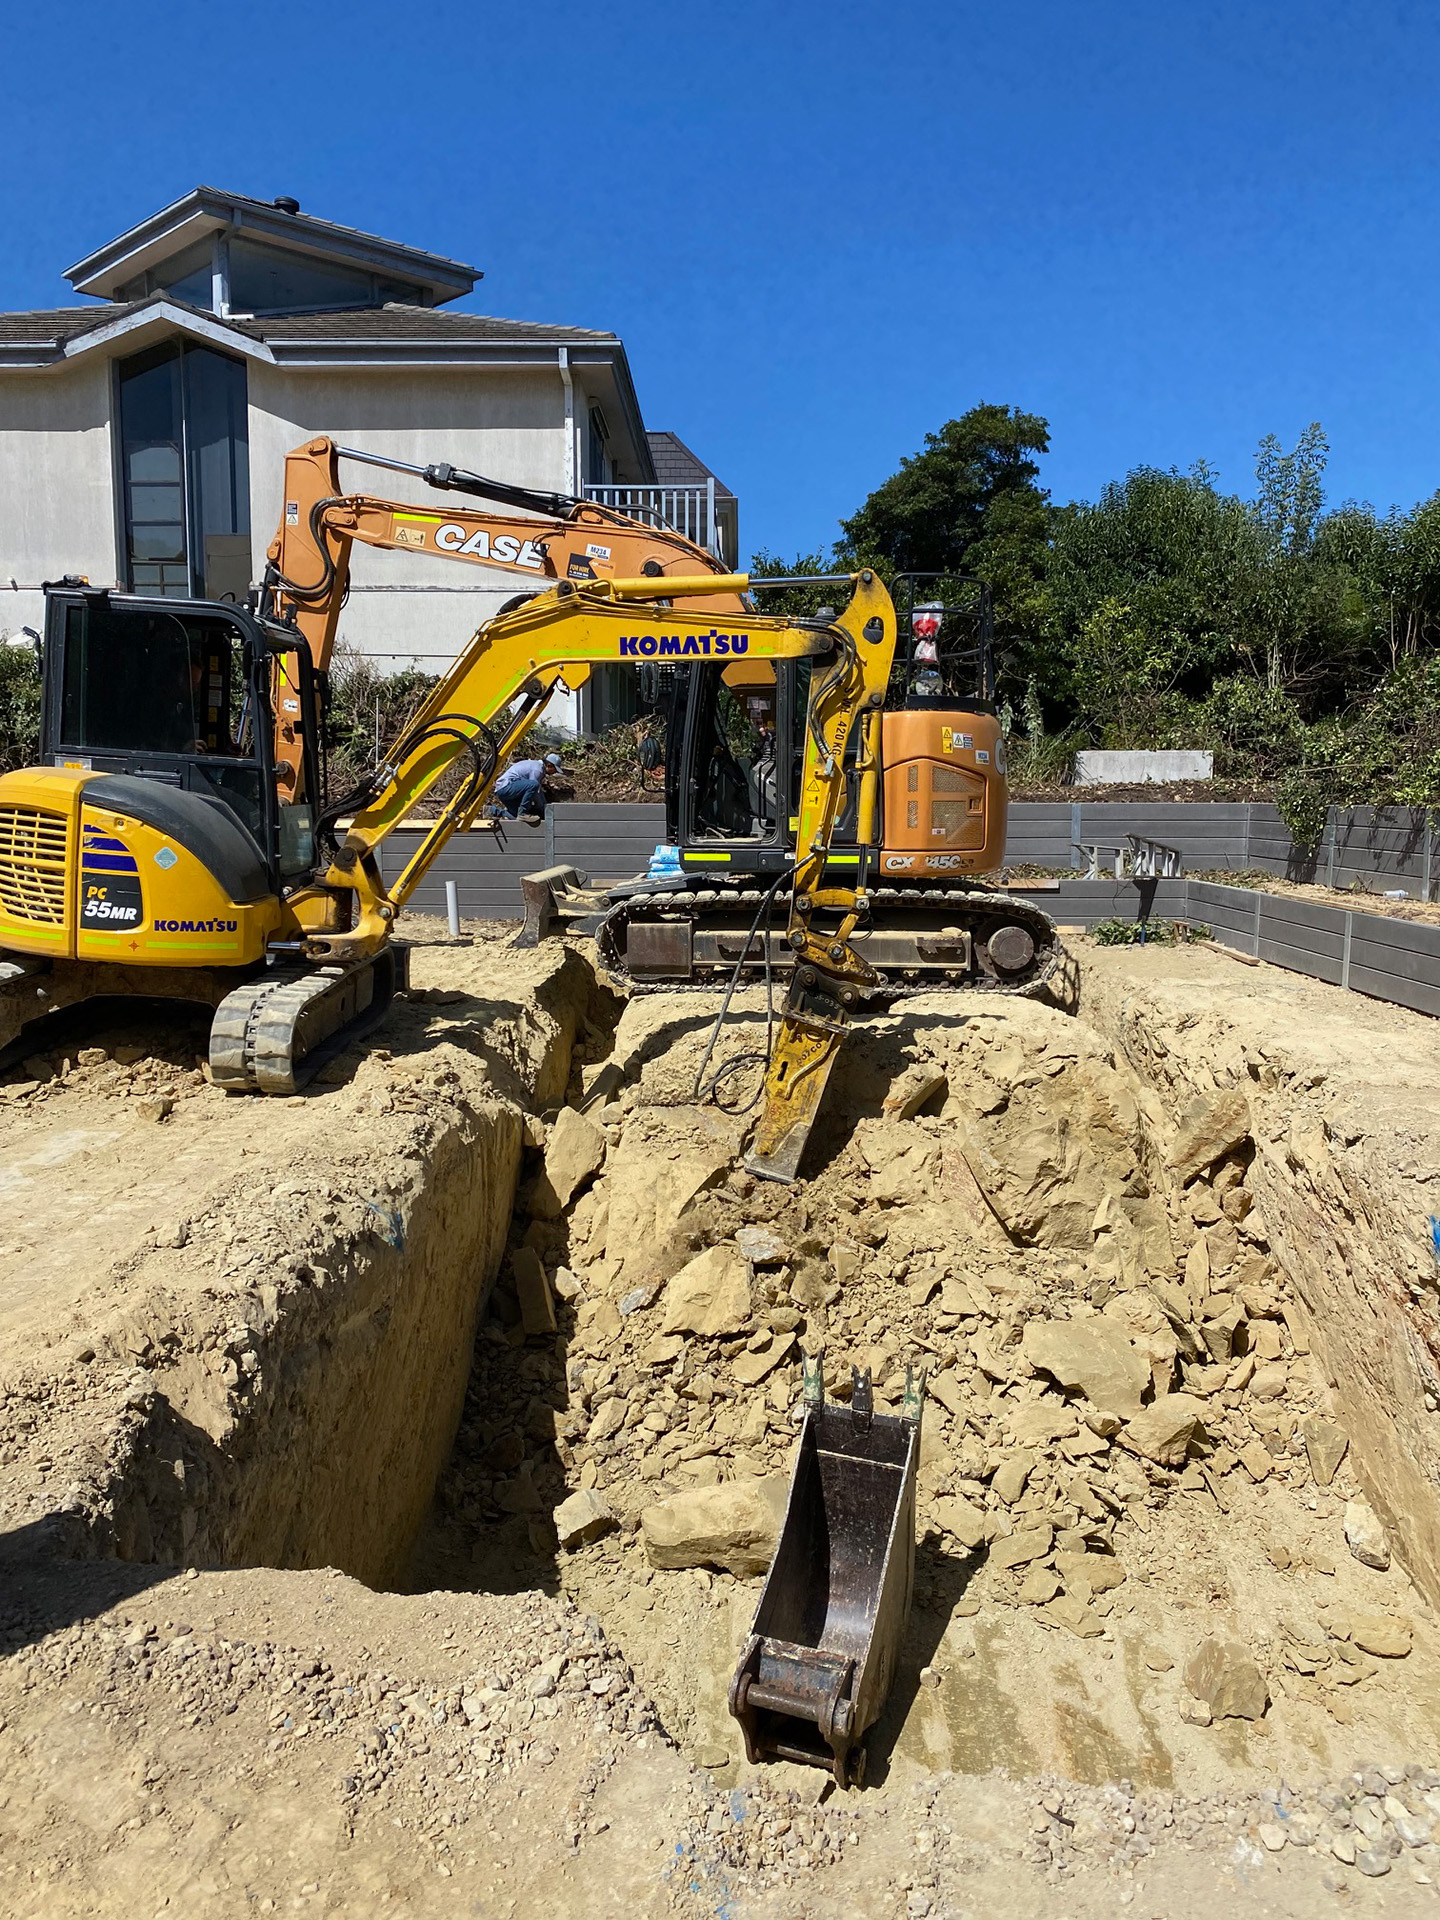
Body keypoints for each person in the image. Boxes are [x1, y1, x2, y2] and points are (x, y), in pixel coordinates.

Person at [492, 752, 564, 821]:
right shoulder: (538, 769)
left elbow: (538, 791)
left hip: (503, 789)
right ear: (549, 765)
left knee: (515, 816)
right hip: (506, 786)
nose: (555, 772)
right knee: (534, 784)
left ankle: (492, 810)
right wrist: (543, 810)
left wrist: (544, 805)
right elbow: (535, 791)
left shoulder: (537, 767)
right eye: (555, 770)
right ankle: (523, 814)